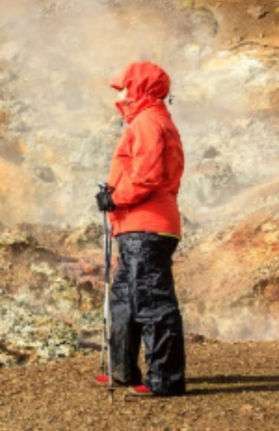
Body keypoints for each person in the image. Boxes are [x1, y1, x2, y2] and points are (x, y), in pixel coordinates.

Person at [94, 61, 186, 397]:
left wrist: (114, 198)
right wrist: (115, 199)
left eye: (122, 88)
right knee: (126, 302)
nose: (118, 94)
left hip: (147, 226)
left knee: (152, 303)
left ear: (139, 88)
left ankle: (165, 381)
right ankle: (123, 372)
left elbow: (146, 176)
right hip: (137, 226)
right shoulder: (149, 120)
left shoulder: (149, 121)